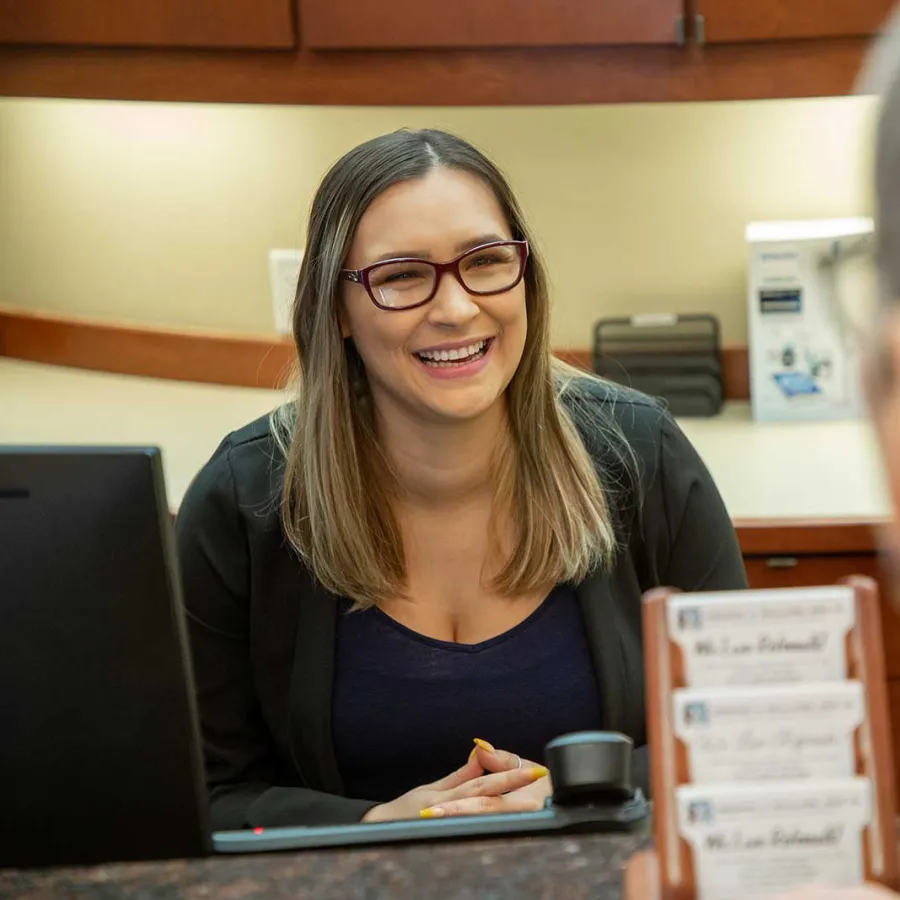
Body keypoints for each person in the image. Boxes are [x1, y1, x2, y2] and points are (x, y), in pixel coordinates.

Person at [175, 128, 747, 830]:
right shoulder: (243, 500)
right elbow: (202, 796)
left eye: (485, 260)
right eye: (402, 276)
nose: (454, 308)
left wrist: (576, 792)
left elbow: (745, 737)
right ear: (338, 310)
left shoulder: (642, 455)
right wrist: (372, 826)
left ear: (524, 277)